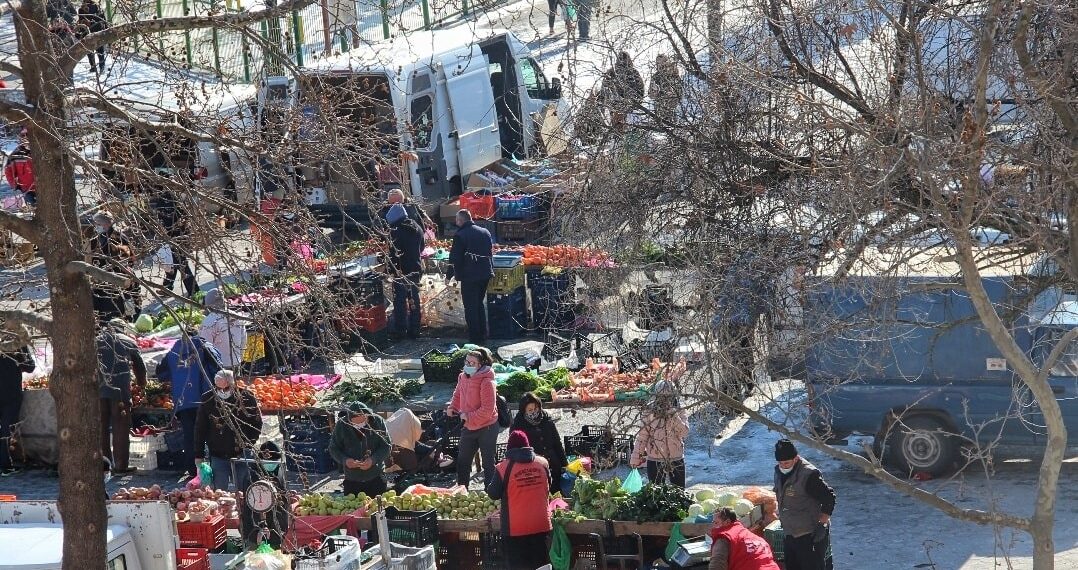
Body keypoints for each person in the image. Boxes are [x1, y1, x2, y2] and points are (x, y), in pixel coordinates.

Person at [485, 430, 552, 570]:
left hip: (515, 529)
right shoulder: (543, 464)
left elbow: (493, 493)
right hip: (541, 525)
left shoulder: (503, 468)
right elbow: (548, 486)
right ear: (528, 447)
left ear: (509, 449)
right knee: (542, 566)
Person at [156, 333, 222, 474]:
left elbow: (161, 375)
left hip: (183, 401)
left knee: (189, 436)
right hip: (204, 399)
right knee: (210, 433)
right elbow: (218, 369)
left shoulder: (174, 351)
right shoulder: (204, 346)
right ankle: (211, 469)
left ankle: (192, 470)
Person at [194, 370, 262, 491]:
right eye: (219, 389)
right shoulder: (208, 399)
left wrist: (249, 443)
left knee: (244, 489)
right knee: (220, 492)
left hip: (242, 453)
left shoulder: (247, 397)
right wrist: (198, 454)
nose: (223, 392)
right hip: (218, 453)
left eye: (226, 389)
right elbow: (200, 428)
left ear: (233, 385)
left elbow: (256, 423)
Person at [773, 439, 835, 570]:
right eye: (780, 463)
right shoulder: (779, 472)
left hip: (809, 535)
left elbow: (829, 498)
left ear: (795, 458)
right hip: (790, 533)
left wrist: (822, 524)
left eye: (787, 463)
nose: (783, 466)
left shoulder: (808, 475)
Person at [97, 320, 147, 474]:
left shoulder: (95, 341)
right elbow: (140, 366)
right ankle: (120, 465)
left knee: (101, 428)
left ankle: (104, 465)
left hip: (97, 391)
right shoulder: (127, 341)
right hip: (120, 391)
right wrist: (142, 384)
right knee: (121, 428)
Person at [447, 348, 498, 486]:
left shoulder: (487, 382)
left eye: (472, 363)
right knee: (463, 461)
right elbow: (458, 394)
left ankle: (491, 493)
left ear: (480, 365)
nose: (468, 365)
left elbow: (487, 410)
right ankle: (462, 491)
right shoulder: (463, 377)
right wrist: (453, 407)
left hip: (487, 426)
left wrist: (468, 416)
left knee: (488, 463)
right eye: (467, 362)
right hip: (468, 426)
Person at [629, 379, 689, 487]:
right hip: (654, 458)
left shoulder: (680, 410)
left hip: (676, 457)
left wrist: (674, 416)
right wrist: (636, 457)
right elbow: (642, 436)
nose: (665, 401)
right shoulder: (649, 412)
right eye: (662, 397)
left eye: (668, 397)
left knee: (679, 490)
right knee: (656, 492)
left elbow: (684, 433)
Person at [447, 209, 494, 344]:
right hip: (485, 273)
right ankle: (483, 334)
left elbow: (455, 258)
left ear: (460, 221)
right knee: (479, 304)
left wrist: (449, 275)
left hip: (470, 275)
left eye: (456, 220)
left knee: (470, 307)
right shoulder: (485, 232)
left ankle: (475, 338)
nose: (456, 222)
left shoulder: (460, 235)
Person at [328, 402, 391, 497]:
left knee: (378, 508)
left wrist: (372, 460)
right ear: (349, 420)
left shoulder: (378, 422)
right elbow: (334, 448)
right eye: (355, 424)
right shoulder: (342, 425)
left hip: (376, 477)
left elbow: (386, 446)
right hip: (352, 479)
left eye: (363, 422)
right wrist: (345, 460)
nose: (360, 425)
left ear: (367, 416)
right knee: (352, 509)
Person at [510, 392, 567, 493]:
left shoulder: (547, 419)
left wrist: (564, 463)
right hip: (533, 468)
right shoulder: (518, 425)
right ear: (524, 411)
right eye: (530, 410)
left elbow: (557, 442)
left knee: (556, 493)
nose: (534, 412)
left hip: (553, 463)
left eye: (536, 409)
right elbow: (514, 449)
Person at [88, 211, 137, 323]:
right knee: (102, 313)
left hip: (117, 280)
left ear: (106, 224)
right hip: (100, 282)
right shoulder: (95, 239)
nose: (95, 226)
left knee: (119, 312)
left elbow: (130, 259)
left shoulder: (119, 238)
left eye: (97, 224)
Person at [0, 323, 35, 476]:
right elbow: (29, 366)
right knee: (7, 427)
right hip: (10, 391)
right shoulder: (15, 340)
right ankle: (5, 464)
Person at [152, 188, 199, 298]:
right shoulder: (177, 199)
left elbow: (160, 220)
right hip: (181, 236)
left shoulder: (162, 201)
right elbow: (186, 216)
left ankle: (194, 290)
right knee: (173, 262)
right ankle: (167, 287)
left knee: (180, 264)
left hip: (172, 236)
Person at [386, 204, 423, 339]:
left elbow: (393, 253)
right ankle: (415, 330)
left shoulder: (396, 231)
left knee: (400, 302)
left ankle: (401, 331)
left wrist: (390, 270)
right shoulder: (417, 227)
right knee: (414, 300)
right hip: (415, 268)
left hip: (401, 271)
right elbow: (422, 247)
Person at [709, 507, 781, 570]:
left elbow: (717, 564)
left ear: (727, 522)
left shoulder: (724, 537)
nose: (713, 526)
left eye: (716, 523)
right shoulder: (756, 538)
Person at [198, 289, 247, 371]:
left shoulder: (209, 321)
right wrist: (239, 358)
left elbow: (205, 346)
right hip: (235, 362)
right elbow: (243, 340)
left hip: (218, 365)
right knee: (237, 383)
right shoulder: (237, 317)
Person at [601, 51, 646, 127]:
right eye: (621, 59)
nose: (622, 61)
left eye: (624, 59)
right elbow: (605, 90)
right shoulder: (611, 72)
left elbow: (641, 90)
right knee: (620, 129)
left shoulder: (633, 72)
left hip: (629, 108)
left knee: (624, 129)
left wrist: (636, 103)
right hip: (618, 108)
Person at [648, 54, 683, 124]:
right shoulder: (655, 77)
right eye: (658, 63)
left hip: (673, 111)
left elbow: (680, 93)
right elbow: (650, 95)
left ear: (666, 62)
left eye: (662, 62)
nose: (660, 65)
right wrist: (654, 92)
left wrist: (673, 93)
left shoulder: (673, 75)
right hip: (659, 112)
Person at [3, 132, 35, 207]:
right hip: (27, 190)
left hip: (43, 187)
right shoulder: (16, 154)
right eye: (23, 136)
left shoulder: (40, 151)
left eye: (27, 135)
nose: (25, 138)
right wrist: (15, 185)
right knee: (34, 209)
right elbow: (8, 171)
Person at [76, 0, 108, 73]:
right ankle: (102, 66)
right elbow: (104, 20)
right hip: (98, 31)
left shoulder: (81, 9)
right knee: (100, 49)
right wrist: (106, 29)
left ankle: (93, 66)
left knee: (89, 50)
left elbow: (81, 22)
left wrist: (81, 32)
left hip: (87, 32)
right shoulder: (98, 7)